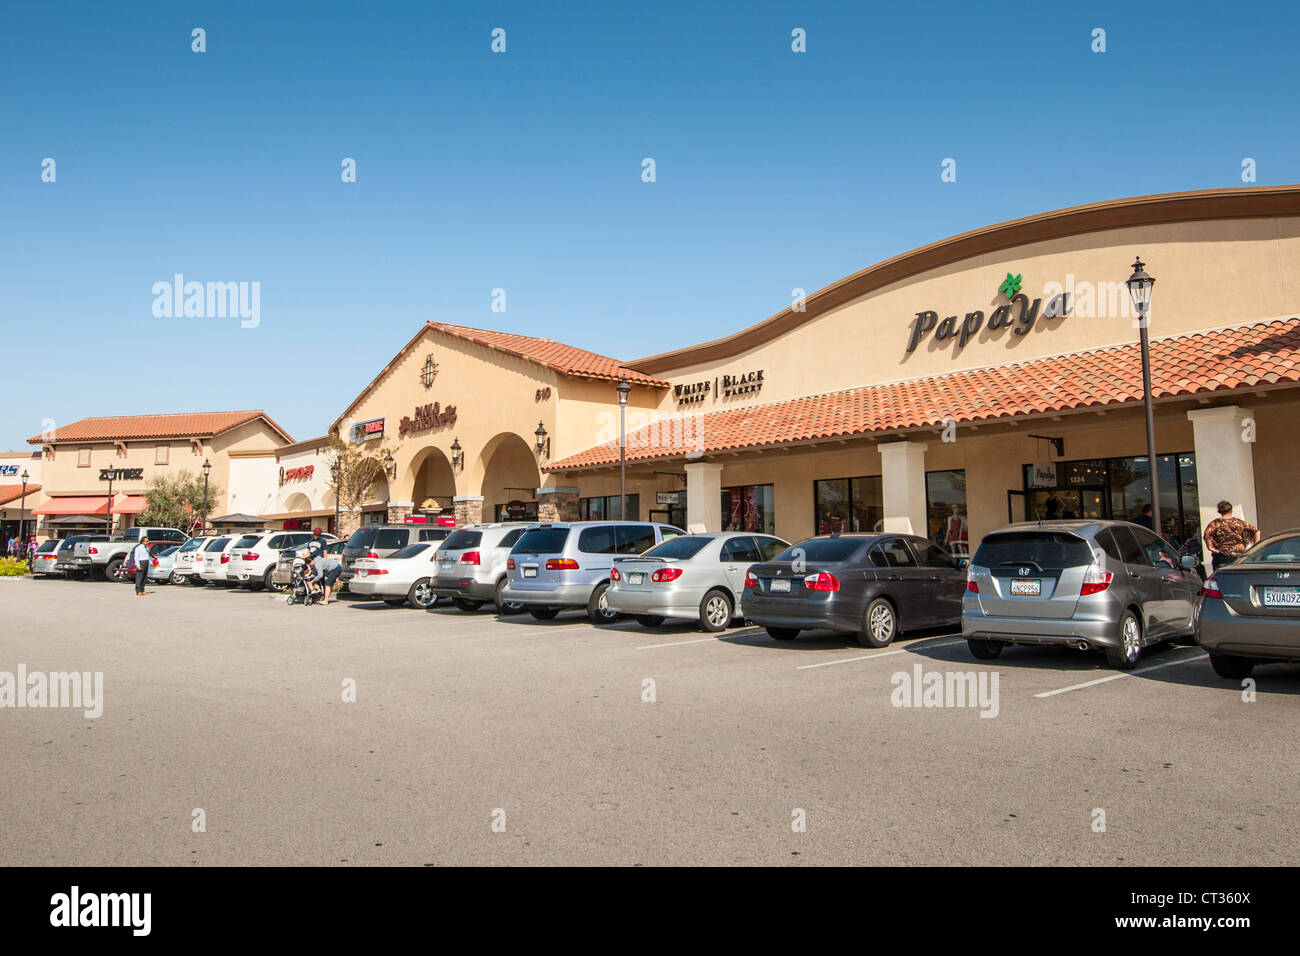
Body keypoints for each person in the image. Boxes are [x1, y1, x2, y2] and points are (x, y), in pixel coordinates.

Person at [1203, 500, 1259, 572]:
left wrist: (1210, 547)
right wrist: (1255, 547)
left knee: (1222, 579)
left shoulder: (1215, 523)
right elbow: (1257, 532)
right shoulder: (1240, 522)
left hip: (1221, 556)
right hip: (1239, 556)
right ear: (1231, 510)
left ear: (1219, 511)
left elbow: (1206, 535)